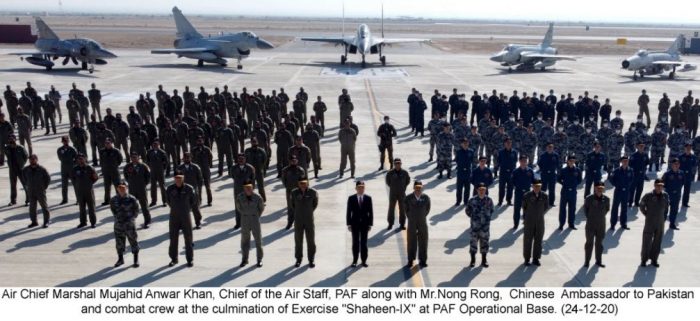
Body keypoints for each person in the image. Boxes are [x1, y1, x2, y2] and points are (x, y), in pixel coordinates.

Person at [167, 172, 196, 267]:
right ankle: (174, 259)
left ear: (183, 178)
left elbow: (193, 201)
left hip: (185, 216)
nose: (178, 180)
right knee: (173, 239)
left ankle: (189, 259)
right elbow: (168, 201)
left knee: (188, 238)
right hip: (174, 216)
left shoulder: (189, 188)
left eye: (180, 178)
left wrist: (186, 209)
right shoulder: (170, 189)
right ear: (174, 179)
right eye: (176, 178)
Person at [110, 181, 140, 268]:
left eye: (123, 188)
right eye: (120, 188)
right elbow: (113, 210)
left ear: (126, 188)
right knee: (119, 242)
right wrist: (118, 218)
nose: (121, 190)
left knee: (133, 241)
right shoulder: (114, 199)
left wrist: (131, 219)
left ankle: (136, 259)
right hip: (119, 224)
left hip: (129, 224)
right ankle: (120, 259)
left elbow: (136, 210)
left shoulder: (132, 199)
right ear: (117, 189)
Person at [639, 179, 669, 268]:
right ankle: (644, 259)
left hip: (660, 222)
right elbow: (641, 206)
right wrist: (646, 214)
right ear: (655, 186)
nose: (660, 187)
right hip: (650, 222)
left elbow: (667, 207)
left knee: (657, 241)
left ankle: (654, 259)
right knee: (646, 241)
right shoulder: (648, 196)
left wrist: (664, 217)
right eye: (658, 186)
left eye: (661, 186)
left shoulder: (665, 196)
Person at [290, 177, 319, 268]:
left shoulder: (313, 192)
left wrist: (308, 211)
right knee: (298, 240)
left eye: (304, 183)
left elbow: (315, 204)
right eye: (301, 183)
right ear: (298, 184)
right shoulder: (294, 192)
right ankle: (298, 259)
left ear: (307, 183)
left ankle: (311, 259)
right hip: (298, 219)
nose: (303, 185)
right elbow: (292, 205)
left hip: (309, 220)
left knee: (310, 240)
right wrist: (299, 212)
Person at [236, 179, 265, 267]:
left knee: (258, 240)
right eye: (246, 188)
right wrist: (245, 214)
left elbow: (261, 208)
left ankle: (259, 259)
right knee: (245, 241)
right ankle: (244, 259)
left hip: (255, 220)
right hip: (245, 220)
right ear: (244, 188)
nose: (248, 189)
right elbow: (239, 208)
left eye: (250, 187)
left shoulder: (257, 197)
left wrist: (255, 215)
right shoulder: (240, 197)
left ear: (252, 187)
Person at [465, 183, 494, 268]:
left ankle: (484, 260)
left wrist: (486, 218)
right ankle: (473, 260)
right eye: (480, 190)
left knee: (485, 243)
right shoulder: (472, 200)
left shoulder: (489, 200)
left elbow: (492, 210)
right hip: (475, 227)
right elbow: (467, 210)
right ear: (477, 190)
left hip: (485, 227)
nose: (482, 191)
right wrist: (474, 218)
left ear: (486, 190)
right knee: (473, 243)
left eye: (483, 189)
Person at [346, 181, 373, 268]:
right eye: (359, 187)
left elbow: (370, 212)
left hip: (365, 224)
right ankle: (355, 260)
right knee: (355, 243)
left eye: (362, 187)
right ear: (356, 188)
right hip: (355, 224)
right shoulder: (351, 198)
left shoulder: (368, 198)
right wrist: (349, 224)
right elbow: (348, 212)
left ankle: (364, 260)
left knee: (364, 243)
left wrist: (370, 224)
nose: (361, 189)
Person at [583, 182, 610, 268]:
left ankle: (598, 261)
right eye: (598, 188)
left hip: (601, 225)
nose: (599, 190)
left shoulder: (606, 199)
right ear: (595, 188)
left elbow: (607, 210)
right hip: (591, 224)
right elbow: (586, 210)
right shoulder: (589, 199)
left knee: (599, 244)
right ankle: (587, 261)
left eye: (601, 189)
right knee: (589, 243)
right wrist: (591, 218)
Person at [522, 179, 549, 266]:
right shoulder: (527, 195)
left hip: (540, 221)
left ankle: (536, 258)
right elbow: (524, 207)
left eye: (539, 186)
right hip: (529, 221)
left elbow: (546, 207)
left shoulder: (544, 195)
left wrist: (539, 214)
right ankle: (527, 258)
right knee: (527, 240)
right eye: (535, 186)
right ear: (532, 186)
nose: (537, 188)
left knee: (538, 240)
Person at [404, 181, 431, 268]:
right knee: (411, 241)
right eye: (417, 188)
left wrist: (422, 216)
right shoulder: (408, 198)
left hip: (422, 222)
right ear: (414, 188)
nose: (418, 190)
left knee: (423, 241)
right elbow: (406, 210)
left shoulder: (426, 198)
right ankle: (410, 260)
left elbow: (427, 209)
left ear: (422, 188)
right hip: (412, 222)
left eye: (420, 188)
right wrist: (411, 217)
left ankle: (423, 260)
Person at [123, 152, 152, 228]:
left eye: (135, 157)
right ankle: (131, 222)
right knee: (131, 207)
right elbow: (125, 176)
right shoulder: (127, 166)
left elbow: (148, 176)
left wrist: (143, 184)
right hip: (132, 189)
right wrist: (130, 182)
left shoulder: (143, 166)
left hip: (141, 189)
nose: (134, 159)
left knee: (144, 206)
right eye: (132, 157)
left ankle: (147, 221)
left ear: (138, 158)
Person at [22, 154, 51, 228]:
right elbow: (24, 178)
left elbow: (48, 179)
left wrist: (43, 187)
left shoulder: (42, 169)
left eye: (33, 159)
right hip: (31, 191)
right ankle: (34, 222)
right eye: (30, 159)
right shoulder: (26, 169)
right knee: (32, 207)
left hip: (40, 191)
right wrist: (28, 185)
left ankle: (46, 221)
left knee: (44, 206)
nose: (32, 160)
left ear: (36, 159)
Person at [71, 154, 98, 228]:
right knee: (82, 207)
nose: (80, 160)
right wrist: (77, 185)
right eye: (79, 159)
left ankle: (93, 222)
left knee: (91, 207)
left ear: (85, 159)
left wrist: (89, 183)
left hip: (89, 191)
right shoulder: (75, 169)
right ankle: (83, 222)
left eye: (82, 159)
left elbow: (95, 177)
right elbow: (73, 178)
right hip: (80, 191)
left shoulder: (90, 168)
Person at [177, 152, 204, 229]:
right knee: (183, 209)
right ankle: (183, 224)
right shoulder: (180, 168)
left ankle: (198, 222)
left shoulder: (196, 167)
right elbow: (177, 180)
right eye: (185, 157)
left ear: (191, 158)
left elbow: (200, 179)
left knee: (195, 208)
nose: (187, 159)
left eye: (188, 157)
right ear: (183, 158)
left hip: (193, 191)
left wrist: (198, 190)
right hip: (183, 191)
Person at [230, 153, 256, 230]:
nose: (241, 160)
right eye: (239, 159)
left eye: (242, 159)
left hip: (247, 189)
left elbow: (253, 179)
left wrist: (251, 189)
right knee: (238, 206)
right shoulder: (233, 168)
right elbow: (233, 176)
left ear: (245, 159)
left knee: (248, 207)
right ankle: (238, 223)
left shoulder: (250, 168)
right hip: (237, 189)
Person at [557, 155, 582, 230]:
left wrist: (574, 184)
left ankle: (571, 224)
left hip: (573, 192)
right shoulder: (563, 170)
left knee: (572, 209)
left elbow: (579, 180)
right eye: (570, 161)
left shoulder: (577, 170)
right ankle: (561, 224)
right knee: (562, 209)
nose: (572, 162)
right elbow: (558, 179)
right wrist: (564, 184)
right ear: (567, 161)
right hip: (565, 191)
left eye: (573, 161)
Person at [4, 135, 28, 206]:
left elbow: (26, 156)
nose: (11, 140)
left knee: (25, 184)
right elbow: (6, 155)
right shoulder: (7, 148)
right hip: (12, 169)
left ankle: (28, 199)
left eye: (12, 139)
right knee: (13, 185)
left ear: (15, 139)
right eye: (10, 139)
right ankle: (13, 200)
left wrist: (22, 164)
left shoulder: (20, 147)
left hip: (20, 169)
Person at [511, 155, 534, 229]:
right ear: (519, 161)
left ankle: (526, 223)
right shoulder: (515, 171)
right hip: (518, 192)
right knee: (517, 209)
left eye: (525, 161)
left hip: (527, 192)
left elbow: (533, 181)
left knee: (527, 210)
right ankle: (516, 224)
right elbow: (512, 181)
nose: (524, 162)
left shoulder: (530, 171)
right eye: (522, 161)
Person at [662, 159, 684, 230]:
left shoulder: (681, 173)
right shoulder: (667, 174)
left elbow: (683, 182)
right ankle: (661, 224)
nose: (676, 165)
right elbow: (662, 184)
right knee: (665, 210)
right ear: (672, 165)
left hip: (677, 195)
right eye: (675, 164)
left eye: (677, 164)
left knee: (674, 210)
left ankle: (672, 224)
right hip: (668, 195)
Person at [100, 139, 123, 205]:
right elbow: (101, 160)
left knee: (118, 186)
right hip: (106, 171)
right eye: (106, 143)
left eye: (108, 143)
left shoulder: (116, 151)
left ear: (111, 143)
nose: (107, 144)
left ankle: (120, 199)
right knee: (107, 186)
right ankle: (107, 200)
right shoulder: (102, 151)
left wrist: (115, 165)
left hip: (114, 171)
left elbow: (120, 160)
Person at [146, 140, 168, 207]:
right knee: (153, 187)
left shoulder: (162, 152)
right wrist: (150, 167)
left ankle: (165, 201)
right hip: (153, 171)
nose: (155, 146)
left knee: (162, 187)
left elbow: (166, 162)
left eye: (156, 145)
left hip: (160, 171)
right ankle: (153, 201)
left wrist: (163, 169)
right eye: (154, 145)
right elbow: (147, 160)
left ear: (159, 145)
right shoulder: (149, 152)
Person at [56, 136, 78, 204]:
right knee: (64, 185)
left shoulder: (72, 149)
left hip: (71, 168)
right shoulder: (59, 149)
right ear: (62, 142)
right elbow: (60, 158)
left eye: (66, 141)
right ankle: (64, 199)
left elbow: (76, 158)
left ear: (68, 141)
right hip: (64, 168)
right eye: (64, 141)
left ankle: (78, 199)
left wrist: (72, 164)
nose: (65, 142)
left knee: (75, 185)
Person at [454, 139, 475, 206]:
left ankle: (466, 201)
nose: (465, 144)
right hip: (460, 172)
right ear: (461, 144)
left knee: (467, 188)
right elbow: (457, 160)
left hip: (468, 172)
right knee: (459, 188)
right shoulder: (458, 152)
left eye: (467, 143)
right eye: (464, 143)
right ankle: (458, 201)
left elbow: (472, 160)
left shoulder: (471, 151)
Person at [497, 138, 518, 206]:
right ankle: (500, 201)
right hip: (503, 172)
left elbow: (515, 160)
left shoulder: (514, 152)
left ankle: (509, 200)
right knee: (501, 188)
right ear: (504, 144)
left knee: (510, 187)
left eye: (510, 142)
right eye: (507, 142)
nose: (509, 144)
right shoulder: (501, 152)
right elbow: (499, 161)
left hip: (511, 172)